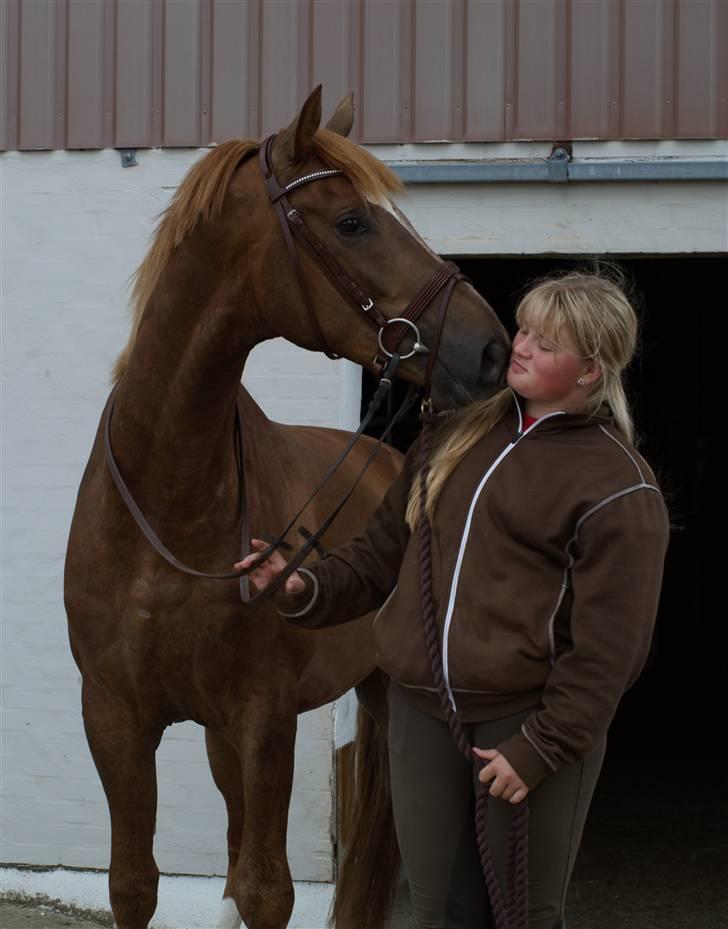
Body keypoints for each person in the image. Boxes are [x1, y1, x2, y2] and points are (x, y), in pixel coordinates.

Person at [235, 270, 671, 929]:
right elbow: (381, 553)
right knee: (440, 912)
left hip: (524, 726)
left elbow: (611, 649)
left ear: (590, 370)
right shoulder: (452, 437)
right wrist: (306, 586)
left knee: (521, 914)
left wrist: (542, 747)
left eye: (546, 343)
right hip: (421, 716)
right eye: (524, 327)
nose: (519, 345)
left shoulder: (617, 486)